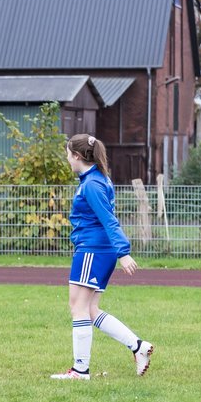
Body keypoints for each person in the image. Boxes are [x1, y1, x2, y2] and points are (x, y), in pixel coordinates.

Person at [51, 133, 153, 380]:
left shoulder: (92, 184)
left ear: (77, 156)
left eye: (68, 154)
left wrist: (124, 253)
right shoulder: (96, 179)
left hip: (93, 250)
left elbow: (109, 220)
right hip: (97, 250)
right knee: (90, 309)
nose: (67, 159)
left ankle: (80, 371)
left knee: (78, 308)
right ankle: (138, 347)